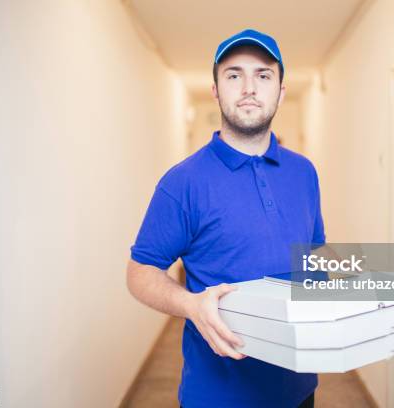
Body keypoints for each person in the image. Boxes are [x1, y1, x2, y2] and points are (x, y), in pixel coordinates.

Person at [126, 28, 325, 408]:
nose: (249, 87)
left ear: (280, 90)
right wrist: (190, 305)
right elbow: (140, 273)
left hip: (300, 389)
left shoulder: (305, 173)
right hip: (218, 395)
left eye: (263, 75)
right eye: (234, 75)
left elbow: (312, 257)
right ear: (216, 90)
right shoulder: (183, 182)